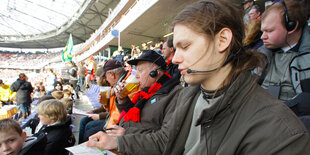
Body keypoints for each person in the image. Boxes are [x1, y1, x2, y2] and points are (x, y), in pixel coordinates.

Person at [87, 0, 310, 154]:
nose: (174, 59)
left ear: (222, 41)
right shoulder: (190, 95)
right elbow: (166, 140)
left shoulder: (280, 130)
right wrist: (117, 141)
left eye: (185, 46)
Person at [87, 50, 182, 154]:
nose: (136, 75)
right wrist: (122, 99)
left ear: (155, 72)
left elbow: (164, 141)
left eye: (140, 70)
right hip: (126, 142)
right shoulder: (147, 91)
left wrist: (124, 136)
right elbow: (131, 115)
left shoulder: (174, 94)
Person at [258, 0, 310, 101]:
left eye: (269, 31)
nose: (262, 37)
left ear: (291, 26)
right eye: (262, 31)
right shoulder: (261, 55)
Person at [78, 59, 139, 144]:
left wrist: (100, 116)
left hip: (118, 125)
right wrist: (105, 102)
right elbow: (111, 108)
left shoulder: (128, 84)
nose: (106, 79)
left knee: (88, 130)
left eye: (105, 76)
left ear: (112, 74)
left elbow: (124, 112)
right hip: (111, 121)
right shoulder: (117, 83)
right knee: (85, 122)